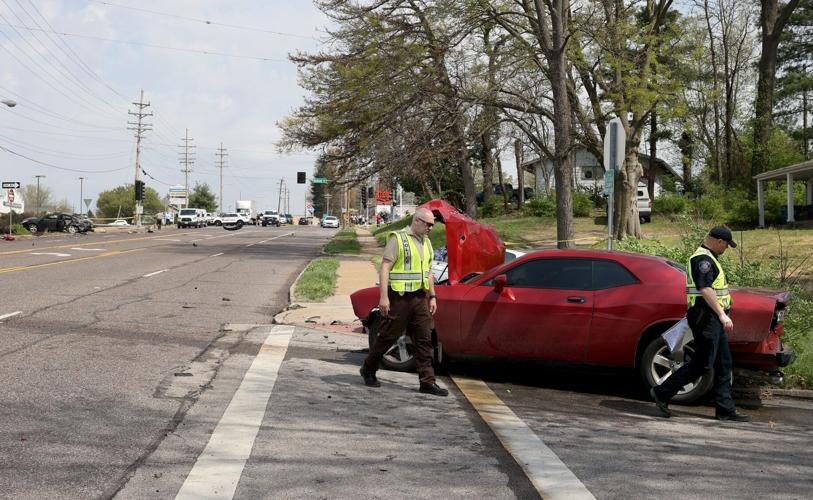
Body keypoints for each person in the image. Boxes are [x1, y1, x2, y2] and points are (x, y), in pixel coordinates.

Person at [650, 225, 750, 422]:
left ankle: (725, 409)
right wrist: (722, 314)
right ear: (719, 241)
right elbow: (705, 289)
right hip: (706, 317)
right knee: (703, 363)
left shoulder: (709, 258)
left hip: (711, 318)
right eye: (726, 245)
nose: (726, 249)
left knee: (724, 363)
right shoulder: (702, 259)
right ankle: (662, 392)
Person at [360, 207, 448, 396]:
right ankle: (368, 368)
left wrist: (432, 296)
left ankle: (427, 382)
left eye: (432, 225)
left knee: (424, 339)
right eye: (428, 224)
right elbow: (385, 268)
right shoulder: (397, 239)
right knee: (387, 337)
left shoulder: (427, 243)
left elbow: (428, 272)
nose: (431, 229)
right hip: (399, 298)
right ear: (417, 221)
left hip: (420, 298)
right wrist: (383, 297)